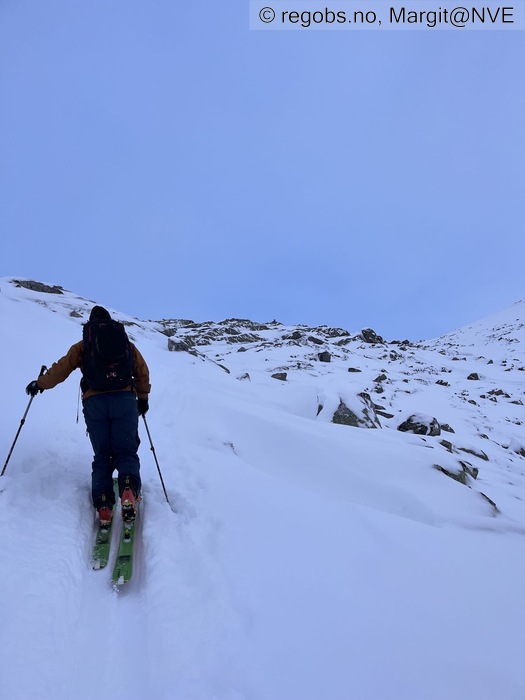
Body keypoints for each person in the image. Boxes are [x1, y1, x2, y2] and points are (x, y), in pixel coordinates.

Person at [26, 305, 151, 526]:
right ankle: (129, 489)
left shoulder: (83, 346)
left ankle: (104, 503)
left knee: (102, 454)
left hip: (94, 403)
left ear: (90, 324)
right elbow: (142, 371)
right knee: (126, 450)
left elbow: (60, 370)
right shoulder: (126, 345)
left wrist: (40, 384)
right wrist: (142, 399)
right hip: (124, 401)